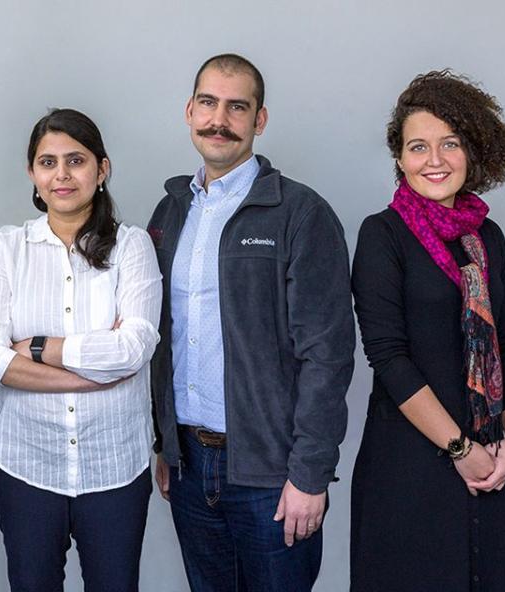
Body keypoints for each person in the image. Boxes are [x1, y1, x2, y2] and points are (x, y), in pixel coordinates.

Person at [147, 53, 354, 591]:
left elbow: (327, 355)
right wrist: (165, 443)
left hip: (272, 473)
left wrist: (310, 474)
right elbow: (161, 339)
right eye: (209, 103)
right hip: (189, 466)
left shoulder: (300, 213)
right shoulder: (170, 213)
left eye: (237, 107)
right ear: (190, 111)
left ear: (259, 120)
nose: (220, 120)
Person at [0, 108, 161, 591]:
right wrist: (88, 375)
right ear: (32, 173)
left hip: (115, 467)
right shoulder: (9, 247)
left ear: (102, 169)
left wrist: (36, 347)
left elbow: (133, 348)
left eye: (76, 160)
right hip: (26, 466)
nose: (62, 175)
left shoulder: (132, 246)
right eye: (48, 162)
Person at [350, 70, 505, 591]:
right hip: (409, 467)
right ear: (400, 159)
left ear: (472, 151)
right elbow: (388, 357)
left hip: (489, 463)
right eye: (418, 146)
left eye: (450, 143)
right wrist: (461, 451)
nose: (435, 160)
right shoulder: (382, 235)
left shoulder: (488, 237)